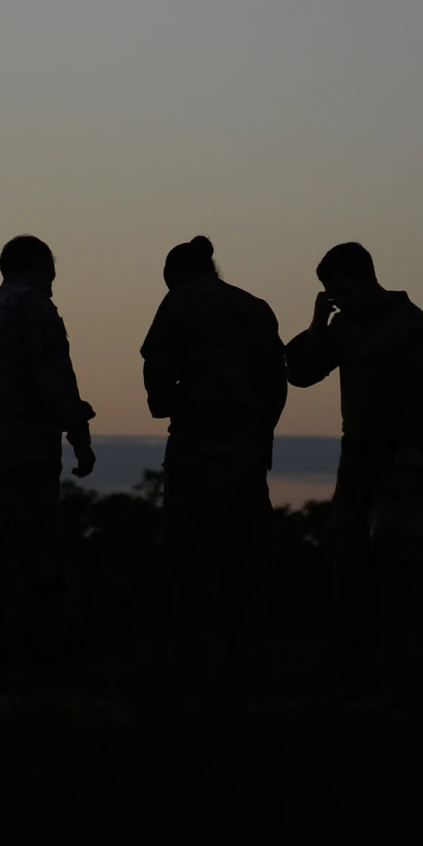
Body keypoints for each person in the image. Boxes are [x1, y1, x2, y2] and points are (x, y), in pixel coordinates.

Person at [284, 241, 423, 673]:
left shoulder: (413, 325)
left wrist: (411, 463)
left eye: (342, 290)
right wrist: (318, 326)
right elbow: (299, 374)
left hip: (401, 465)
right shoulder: (342, 328)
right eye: (330, 294)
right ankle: (361, 669)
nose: (339, 300)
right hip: (355, 460)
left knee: (406, 568)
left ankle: (415, 669)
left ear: (366, 279)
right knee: (350, 566)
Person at [139, 235, 286, 665]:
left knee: (190, 555)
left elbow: (158, 379)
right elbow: (277, 385)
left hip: (196, 450)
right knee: (247, 557)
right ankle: (249, 655)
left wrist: (170, 403)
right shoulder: (256, 307)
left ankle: (194, 659)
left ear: (175, 276)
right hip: (249, 452)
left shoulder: (178, 303)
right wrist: (260, 435)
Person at [0, 235, 95, 649]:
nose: (53, 278)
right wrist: (80, 438)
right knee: (27, 562)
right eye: (50, 267)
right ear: (36, 263)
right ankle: (24, 654)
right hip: (23, 456)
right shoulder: (34, 308)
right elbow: (56, 380)